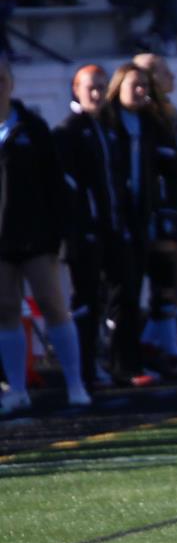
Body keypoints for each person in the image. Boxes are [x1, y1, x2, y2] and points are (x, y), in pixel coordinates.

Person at [0, 55, 85, 414]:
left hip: (36, 234)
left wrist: (60, 232)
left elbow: (55, 184)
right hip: (1, 240)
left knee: (53, 305)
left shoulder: (32, 127)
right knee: (5, 310)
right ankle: (17, 389)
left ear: (11, 82)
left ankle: (75, 384)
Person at [133, 51, 177, 376]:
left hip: (176, 202)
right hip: (156, 205)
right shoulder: (144, 119)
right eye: (162, 71)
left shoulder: (170, 114)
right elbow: (172, 159)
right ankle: (170, 349)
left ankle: (150, 340)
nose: (170, 76)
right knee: (163, 280)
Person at [100, 61, 164, 386]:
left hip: (140, 216)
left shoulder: (147, 122)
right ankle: (119, 363)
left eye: (144, 87)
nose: (141, 92)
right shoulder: (108, 121)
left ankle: (132, 360)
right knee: (120, 295)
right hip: (115, 220)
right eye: (134, 86)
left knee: (135, 290)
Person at [54, 64, 117, 386]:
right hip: (82, 234)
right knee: (85, 301)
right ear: (75, 90)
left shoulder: (100, 127)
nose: (96, 93)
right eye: (90, 87)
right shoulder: (68, 131)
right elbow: (67, 189)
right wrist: (80, 229)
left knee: (103, 298)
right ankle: (83, 369)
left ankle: (101, 362)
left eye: (101, 87)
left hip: (102, 228)